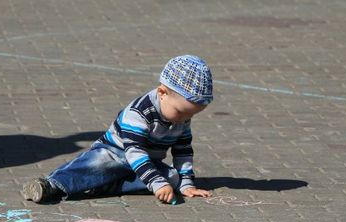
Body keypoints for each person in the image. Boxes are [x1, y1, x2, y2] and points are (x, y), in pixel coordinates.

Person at [22, 55, 213, 204]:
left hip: (146, 162)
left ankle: (104, 185)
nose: (185, 119)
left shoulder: (182, 118)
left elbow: (183, 151)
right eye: (181, 112)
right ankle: (50, 185)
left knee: (172, 177)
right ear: (162, 93)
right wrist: (156, 182)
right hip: (117, 152)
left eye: (191, 115)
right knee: (96, 165)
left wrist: (186, 184)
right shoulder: (139, 113)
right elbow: (134, 151)